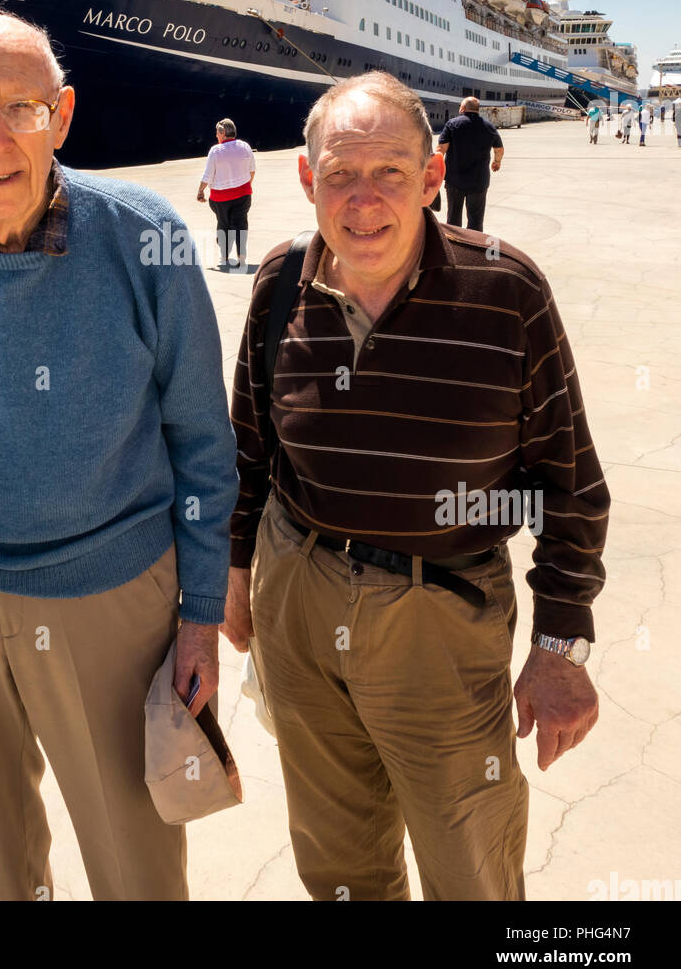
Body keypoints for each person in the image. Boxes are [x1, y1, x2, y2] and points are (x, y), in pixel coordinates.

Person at [0, 10, 239, 901]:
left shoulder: (145, 236)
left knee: (136, 871)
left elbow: (202, 446)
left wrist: (200, 616)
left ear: (60, 117)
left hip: (118, 599)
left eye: (19, 109)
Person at [222, 71, 609, 902]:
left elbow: (570, 483)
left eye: (389, 172)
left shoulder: (505, 288)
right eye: (339, 175)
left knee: (468, 857)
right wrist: (235, 574)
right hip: (298, 586)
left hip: (440, 613)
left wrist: (559, 647)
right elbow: (249, 447)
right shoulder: (281, 280)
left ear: (432, 177)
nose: (363, 201)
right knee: (335, 859)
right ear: (304, 178)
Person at [436, 96, 503, 232]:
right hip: (479, 182)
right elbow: (499, 149)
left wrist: (437, 169)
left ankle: (455, 248)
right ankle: (474, 249)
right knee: (476, 221)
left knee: (453, 220)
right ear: (478, 110)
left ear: (463, 108)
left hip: (455, 181)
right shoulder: (489, 127)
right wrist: (497, 162)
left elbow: (440, 149)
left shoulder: (452, 124)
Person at [197, 117, 256, 270]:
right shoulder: (245, 146)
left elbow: (208, 175)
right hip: (243, 195)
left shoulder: (216, 151)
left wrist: (200, 191)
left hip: (220, 198)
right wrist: (246, 186)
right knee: (241, 223)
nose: (216, 135)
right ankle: (241, 256)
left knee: (223, 224)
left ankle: (224, 257)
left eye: (217, 132)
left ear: (223, 133)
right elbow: (252, 170)